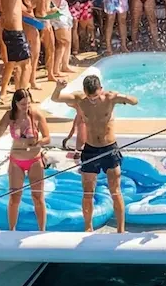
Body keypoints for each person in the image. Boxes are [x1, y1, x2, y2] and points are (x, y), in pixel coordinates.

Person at [58, 74, 139, 232]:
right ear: (85, 92)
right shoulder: (80, 99)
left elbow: (135, 101)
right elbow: (57, 98)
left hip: (109, 149)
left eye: (95, 96)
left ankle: (120, 230)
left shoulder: (109, 99)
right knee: (88, 192)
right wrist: (58, 87)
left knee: (115, 191)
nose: (93, 100)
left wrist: (122, 96)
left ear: (101, 90)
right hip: (90, 149)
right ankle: (88, 228)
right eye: (90, 97)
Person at [0, 88, 50, 230]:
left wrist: (38, 142)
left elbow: (47, 137)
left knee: (38, 198)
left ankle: (42, 231)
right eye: (23, 104)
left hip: (34, 160)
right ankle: (12, 230)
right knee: (14, 199)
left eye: (28, 104)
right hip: (16, 161)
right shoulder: (10, 116)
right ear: (15, 103)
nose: (26, 107)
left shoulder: (36, 115)